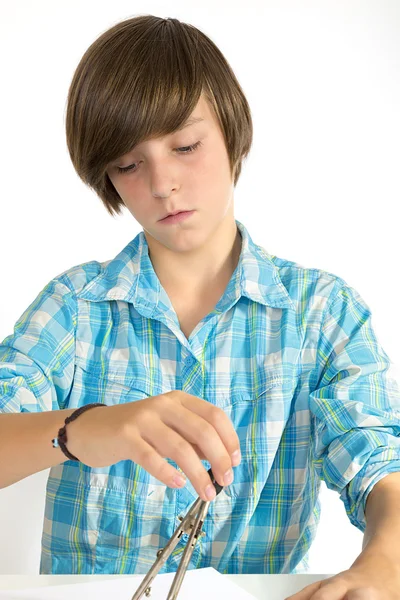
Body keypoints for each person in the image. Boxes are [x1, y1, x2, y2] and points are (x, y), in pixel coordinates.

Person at [1, 14, 400, 597]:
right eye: (128, 164)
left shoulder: (321, 312)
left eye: (185, 146)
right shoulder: (74, 308)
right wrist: (84, 429)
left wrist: (386, 560)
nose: (163, 183)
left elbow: (379, 462)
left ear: (233, 132)